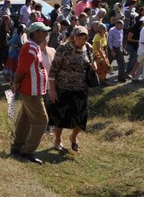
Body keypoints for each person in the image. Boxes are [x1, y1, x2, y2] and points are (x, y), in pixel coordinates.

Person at [48, 25, 94, 153]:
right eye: (80, 38)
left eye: (84, 38)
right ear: (74, 37)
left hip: (81, 89)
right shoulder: (63, 48)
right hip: (64, 88)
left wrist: (94, 65)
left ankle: (73, 137)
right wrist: (52, 90)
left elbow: (91, 62)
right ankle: (57, 140)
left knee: (81, 116)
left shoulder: (88, 48)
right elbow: (53, 70)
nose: (82, 41)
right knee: (61, 116)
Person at [11, 21, 51, 163]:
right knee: (41, 120)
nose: (47, 34)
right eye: (44, 31)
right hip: (31, 90)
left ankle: (17, 147)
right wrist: (16, 83)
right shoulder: (30, 48)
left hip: (34, 89)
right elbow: (22, 69)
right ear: (36, 33)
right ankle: (27, 151)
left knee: (25, 119)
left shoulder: (34, 47)